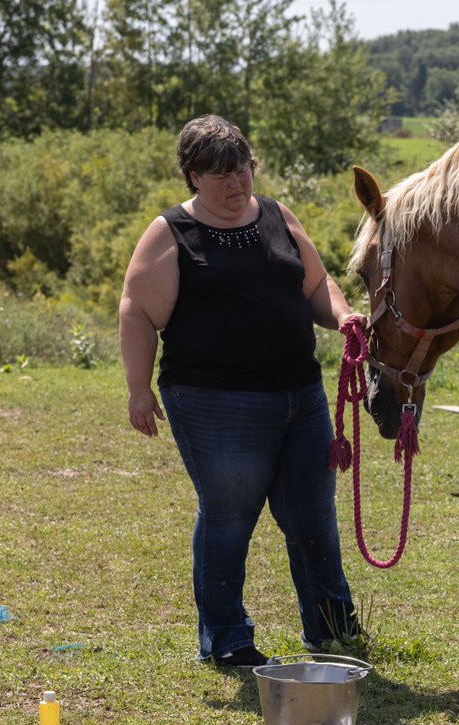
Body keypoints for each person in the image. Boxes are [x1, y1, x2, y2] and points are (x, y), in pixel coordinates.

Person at [118, 115, 364, 669]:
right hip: (213, 402)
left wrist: (345, 315)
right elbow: (137, 311)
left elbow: (316, 285)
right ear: (193, 175)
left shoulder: (277, 215)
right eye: (220, 174)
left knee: (311, 512)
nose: (237, 183)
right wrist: (138, 388)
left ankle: (332, 630)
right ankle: (227, 638)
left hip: (300, 397)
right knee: (230, 513)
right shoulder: (172, 232)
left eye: (242, 169)